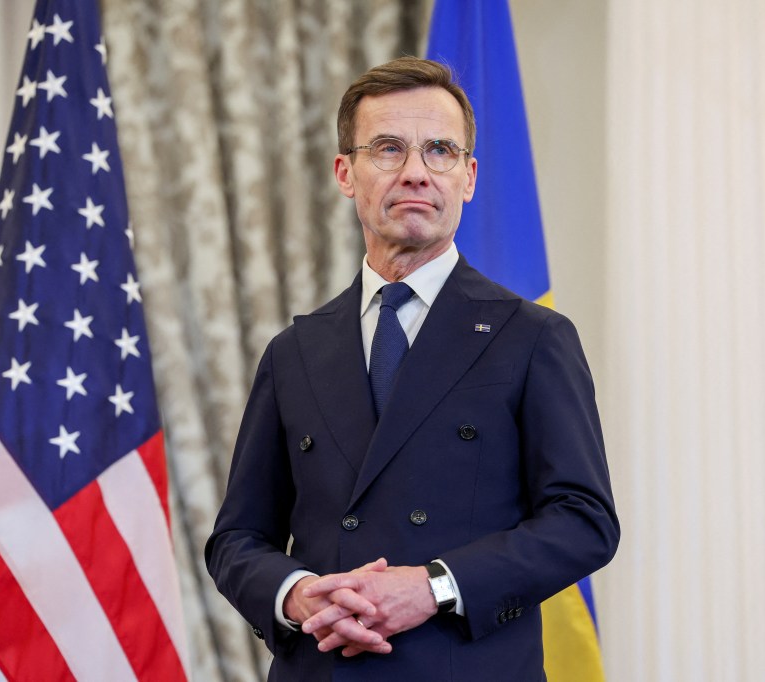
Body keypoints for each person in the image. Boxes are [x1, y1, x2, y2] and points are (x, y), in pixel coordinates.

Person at [205, 56, 618, 681]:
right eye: (389, 149)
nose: (416, 173)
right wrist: (295, 594)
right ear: (346, 171)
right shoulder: (294, 351)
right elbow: (238, 538)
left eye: (440, 151)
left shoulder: (533, 337)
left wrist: (434, 587)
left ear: (469, 177)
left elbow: (584, 521)